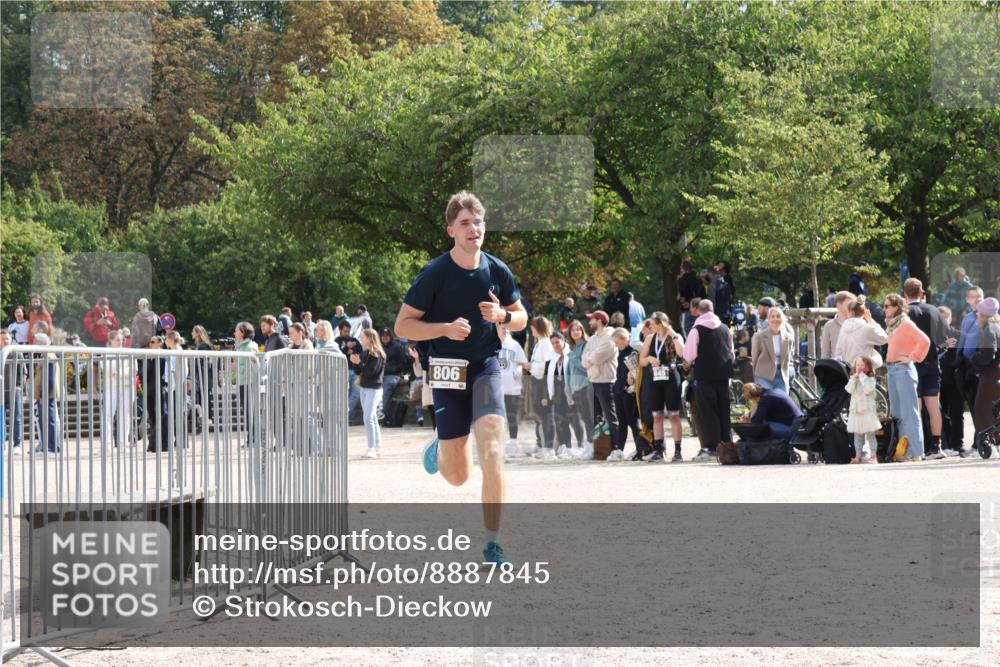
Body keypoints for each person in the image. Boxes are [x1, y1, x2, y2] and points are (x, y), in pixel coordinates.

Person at [394, 190, 527, 566]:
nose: (474, 229)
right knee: (457, 477)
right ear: (451, 229)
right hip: (447, 370)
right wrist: (445, 329)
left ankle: (492, 543)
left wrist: (501, 316)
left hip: (485, 367)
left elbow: (522, 317)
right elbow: (403, 325)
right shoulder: (434, 273)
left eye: (478, 222)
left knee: (492, 451)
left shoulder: (497, 270)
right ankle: (442, 446)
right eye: (465, 223)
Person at [683, 299, 735, 462]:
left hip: (705, 375)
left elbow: (689, 355)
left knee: (708, 411)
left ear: (698, 310)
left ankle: (712, 447)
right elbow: (731, 353)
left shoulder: (696, 330)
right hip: (723, 375)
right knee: (723, 410)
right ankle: (727, 444)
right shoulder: (726, 329)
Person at [903, 278, 949, 459]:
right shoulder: (933, 311)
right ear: (921, 292)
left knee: (916, 407)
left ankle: (918, 447)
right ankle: (937, 446)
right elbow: (944, 337)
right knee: (933, 406)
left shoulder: (905, 313)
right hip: (931, 363)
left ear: (905, 293)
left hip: (912, 363)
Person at [884, 293, 930, 461]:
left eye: (887, 305)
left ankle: (917, 452)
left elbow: (925, 340)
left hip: (903, 369)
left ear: (897, 307)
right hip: (892, 369)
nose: (884, 309)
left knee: (909, 413)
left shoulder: (905, 323)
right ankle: (903, 451)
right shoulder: (892, 325)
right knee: (897, 413)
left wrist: (913, 357)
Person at [639, 311, 685, 462]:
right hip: (655, 379)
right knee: (657, 416)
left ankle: (678, 451)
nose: (650, 326)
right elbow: (641, 361)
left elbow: (682, 353)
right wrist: (650, 358)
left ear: (660, 324)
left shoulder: (674, 336)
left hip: (671, 377)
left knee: (674, 415)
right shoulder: (649, 338)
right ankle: (659, 450)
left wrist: (673, 334)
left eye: (652, 323)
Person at [581, 310, 621, 457]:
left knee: (611, 416)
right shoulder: (592, 339)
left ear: (599, 321)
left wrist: (590, 358)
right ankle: (597, 448)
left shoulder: (610, 338)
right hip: (593, 381)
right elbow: (583, 359)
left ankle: (617, 448)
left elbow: (597, 357)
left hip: (606, 382)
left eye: (591, 319)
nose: (589, 322)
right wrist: (590, 358)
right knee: (594, 417)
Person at [541, 332, 581, 459]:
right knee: (560, 420)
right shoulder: (551, 358)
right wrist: (546, 396)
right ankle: (565, 446)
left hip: (571, 391)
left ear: (564, 341)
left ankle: (581, 446)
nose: (555, 345)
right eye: (553, 343)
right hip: (556, 392)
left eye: (557, 342)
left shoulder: (572, 355)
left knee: (574, 420)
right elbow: (546, 378)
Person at [351, 328, 386, 459]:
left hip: (374, 388)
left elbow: (372, 372)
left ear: (370, 338)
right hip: (365, 387)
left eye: (363, 337)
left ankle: (371, 448)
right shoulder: (365, 353)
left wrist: (359, 362)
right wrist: (355, 362)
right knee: (372, 418)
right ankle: (377, 447)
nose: (360, 339)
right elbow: (360, 371)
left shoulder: (377, 354)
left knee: (368, 417)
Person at [525, 317, 557, 456]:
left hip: (543, 383)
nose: (531, 329)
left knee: (547, 416)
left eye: (533, 327)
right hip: (536, 381)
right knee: (540, 415)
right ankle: (542, 444)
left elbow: (547, 367)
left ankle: (549, 447)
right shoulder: (539, 343)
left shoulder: (545, 344)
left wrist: (531, 366)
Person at [970, 298, 1000, 444]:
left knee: (981, 408)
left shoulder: (989, 329)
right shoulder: (997, 326)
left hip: (990, 374)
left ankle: (990, 442)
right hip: (996, 373)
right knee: (991, 408)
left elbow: (988, 355)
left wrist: (975, 358)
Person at [610, 327, 642, 459]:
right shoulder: (620, 352)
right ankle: (619, 449)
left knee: (633, 422)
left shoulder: (633, 352)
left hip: (629, 392)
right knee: (622, 422)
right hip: (619, 390)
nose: (616, 345)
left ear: (624, 339)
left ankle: (640, 449)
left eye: (617, 342)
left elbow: (637, 372)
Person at [938, 306, 965, 455]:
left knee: (957, 413)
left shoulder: (959, 335)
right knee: (941, 413)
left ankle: (958, 444)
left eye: (944, 319)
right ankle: (946, 443)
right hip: (939, 380)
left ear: (949, 319)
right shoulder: (933, 336)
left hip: (955, 380)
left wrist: (957, 366)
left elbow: (963, 355)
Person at [497, 325, 528, 457]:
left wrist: (518, 371)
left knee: (511, 416)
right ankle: (499, 445)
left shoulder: (514, 345)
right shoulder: (491, 343)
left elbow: (523, 363)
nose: (504, 330)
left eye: (506, 328)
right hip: (496, 387)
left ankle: (513, 443)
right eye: (501, 328)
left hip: (512, 387)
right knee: (497, 417)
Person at [834, 296, 889, 369]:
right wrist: (870, 320)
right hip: (864, 370)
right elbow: (885, 338)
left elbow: (838, 352)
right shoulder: (867, 328)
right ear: (864, 313)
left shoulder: (843, 328)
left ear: (851, 312)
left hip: (848, 370)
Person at [564, 319, 593, 459]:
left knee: (588, 419)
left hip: (586, 387)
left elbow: (585, 368)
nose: (576, 332)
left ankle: (590, 445)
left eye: (578, 329)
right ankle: (587, 446)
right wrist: (568, 391)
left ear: (582, 331)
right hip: (575, 390)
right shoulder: (573, 350)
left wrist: (573, 358)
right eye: (573, 330)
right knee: (582, 418)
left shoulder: (586, 346)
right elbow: (568, 373)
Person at [101, 329, 134, 449]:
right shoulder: (106, 352)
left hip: (126, 387)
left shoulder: (127, 352)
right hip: (112, 387)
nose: (120, 342)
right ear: (111, 340)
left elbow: (133, 368)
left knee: (125, 416)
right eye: (117, 340)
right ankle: (107, 444)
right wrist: (121, 370)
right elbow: (106, 368)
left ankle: (123, 442)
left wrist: (120, 372)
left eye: (122, 340)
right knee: (108, 415)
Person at [845, 356, 882, 463]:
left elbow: (867, 390)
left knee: (870, 434)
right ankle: (858, 455)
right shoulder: (853, 379)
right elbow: (849, 389)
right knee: (858, 435)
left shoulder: (870, 379)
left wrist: (862, 377)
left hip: (867, 411)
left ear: (867, 367)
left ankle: (873, 455)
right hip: (856, 411)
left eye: (862, 365)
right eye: (858, 365)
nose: (860, 367)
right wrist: (854, 379)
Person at [751, 307, 795, 393]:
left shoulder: (789, 338)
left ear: (782, 319)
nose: (775, 319)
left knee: (782, 404)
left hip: (782, 376)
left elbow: (789, 357)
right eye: (772, 316)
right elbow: (754, 359)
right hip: (763, 376)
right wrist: (754, 378)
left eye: (778, 316)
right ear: (768, 319)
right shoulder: (759, 336)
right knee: (766, 403)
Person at [31, 332, 61, 454]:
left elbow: (49, 379)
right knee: (46, 420)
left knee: (49, 420)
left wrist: (43, 395)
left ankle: (52, 447)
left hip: (46, 395)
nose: (33, 344)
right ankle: (49, 446)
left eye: (35, 342)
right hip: (45, 394)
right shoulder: (47, 354)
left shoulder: (48, 355)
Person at [233, 322, 258, 447]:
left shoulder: (249, 347)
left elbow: (253, 366)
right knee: (247, 411)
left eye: (236, 330)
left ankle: (254, 439)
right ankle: (251, 438)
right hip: (243, 382)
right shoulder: (240, 346)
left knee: (250, 411)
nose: (234, 332)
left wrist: (237, 368)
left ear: (243, 332)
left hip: (249, 383)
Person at [1, 329, 25, 454]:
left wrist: (19, 385)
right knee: (1, 418)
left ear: (11, 340)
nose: (5, 341)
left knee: (17, 418)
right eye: (3, 339)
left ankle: (18, 444)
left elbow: (23, 371)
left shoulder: (16, 353)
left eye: (7, 338)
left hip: (14, 390)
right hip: (1, 391)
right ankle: (2, 445)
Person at [335, 320, 363, 425]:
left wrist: (353, 351)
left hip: (355, 370)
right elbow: (336, 355)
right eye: (345, 331)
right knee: (343, 395)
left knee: (356, 395)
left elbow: (361, 354)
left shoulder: (354, 340)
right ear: (340, 330)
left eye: (348, 331)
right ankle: (347, 419)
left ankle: (346, 417)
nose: (347, 333)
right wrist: (347, 348)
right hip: (342, 370)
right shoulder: (336, 341)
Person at [141, 336, 166, 453]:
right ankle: (152, 444)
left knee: (160, 416)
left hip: (159, 389)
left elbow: (160, 372)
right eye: (150, 342)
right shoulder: (148, 356)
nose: (150, 344)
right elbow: (142, 373)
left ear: (159, 343)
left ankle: (159, 443)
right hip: (149, 390)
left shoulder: (162, 356)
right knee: (152, 417)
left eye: (152, 342)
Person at [380, 328, 409, 420]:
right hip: (378, 375)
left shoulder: (397, 347)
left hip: (392, 375)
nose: (385, 337)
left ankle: (381, 414)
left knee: (386, 388)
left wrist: (394, 369)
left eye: (387, 335)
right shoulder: (378, 347)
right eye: (383, 336)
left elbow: (403, 363)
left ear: (390, 336)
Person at [820, 291, 855, 358]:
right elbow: (825, 353)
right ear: (839, 305)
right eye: (849, 303)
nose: (852, 306)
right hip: (837, 367)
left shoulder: (858, 323)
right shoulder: (829, 326)